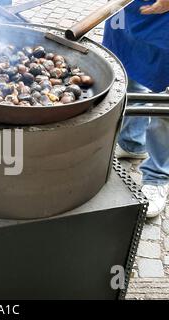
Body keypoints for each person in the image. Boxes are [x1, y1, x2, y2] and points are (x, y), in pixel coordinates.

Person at [103, 0, 169, 218]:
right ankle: (131, 142)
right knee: (126, 67)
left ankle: (157, 175)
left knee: (166, 101)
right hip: (127, 9)